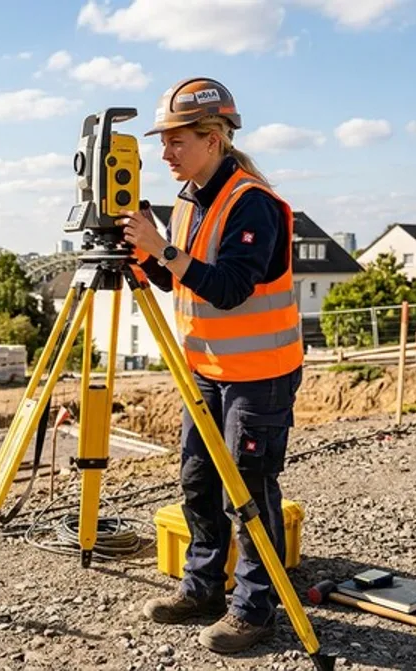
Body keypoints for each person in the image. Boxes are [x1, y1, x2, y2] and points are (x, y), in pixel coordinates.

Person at [119, 77, 304, 654]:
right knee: (198, 480)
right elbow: (183, 275)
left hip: (260, 373)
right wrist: (145, 258)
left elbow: (226, 288)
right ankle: (202, 586)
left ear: (215, 138)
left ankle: (254, 609)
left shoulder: (252, 203)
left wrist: (164, 249)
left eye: (178, 141)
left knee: (246, 489)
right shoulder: (186, 201)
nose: (165, 153)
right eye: (163, 142)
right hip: (206, 369)